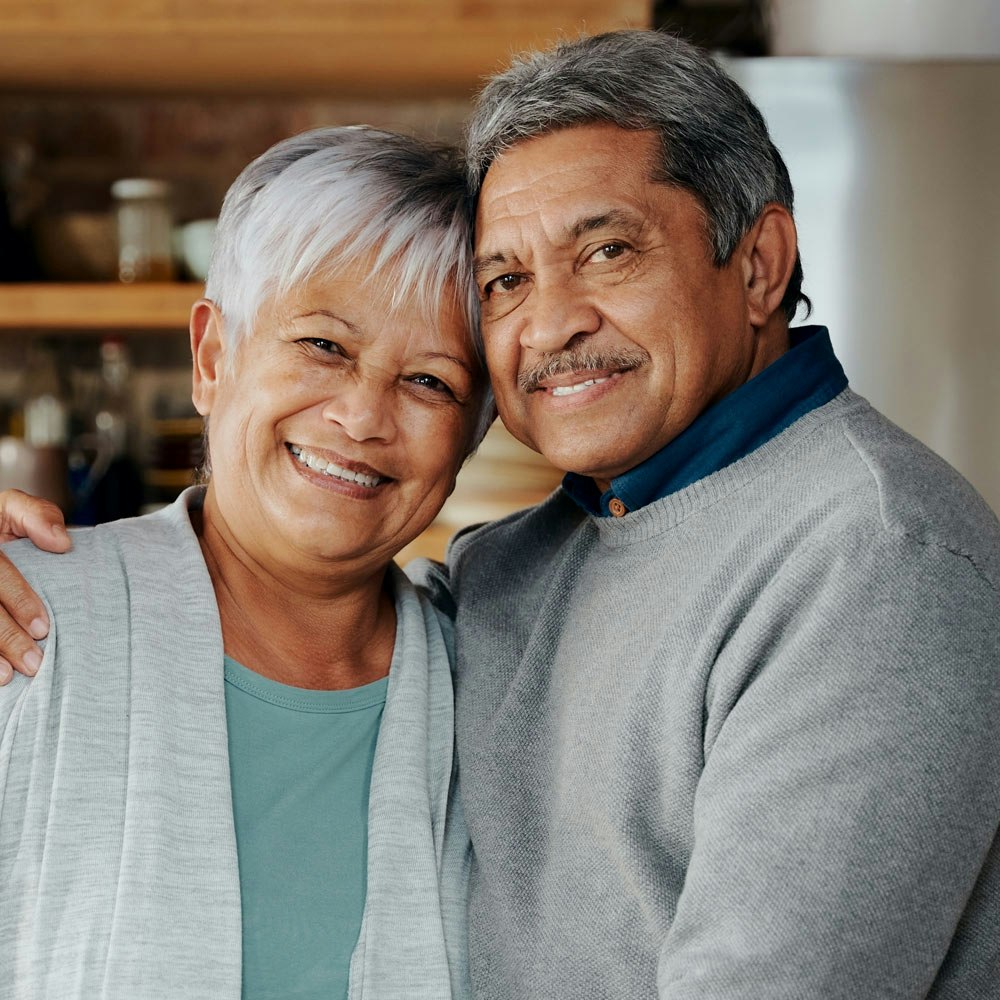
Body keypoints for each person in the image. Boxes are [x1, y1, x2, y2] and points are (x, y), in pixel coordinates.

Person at [2, 28, 1000, 1000]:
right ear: (213, 358)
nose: (552, 321)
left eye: (607, 251)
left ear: (757, 264)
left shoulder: (879, 559)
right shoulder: (507, 576)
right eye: (508, 280)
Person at [0, 125, 492, 999]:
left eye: (431, 382)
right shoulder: (28, 622)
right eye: (323, 346)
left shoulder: (495, 676)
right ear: (213, 358)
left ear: (473, 435)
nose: (363, 416)